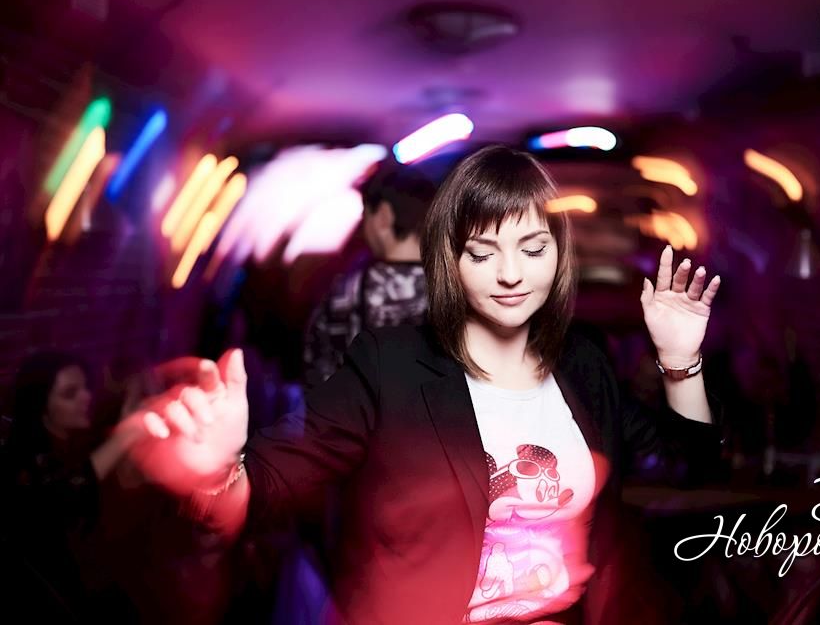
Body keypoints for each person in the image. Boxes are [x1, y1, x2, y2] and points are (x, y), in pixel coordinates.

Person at [131, 145, 726, 624]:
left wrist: (681, 362)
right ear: (449, 262)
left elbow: (687, 463)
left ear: (557, 255)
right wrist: (215, 474)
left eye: (532, 248)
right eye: (482, 252)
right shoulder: (391, 364)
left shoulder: (582, 365)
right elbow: (272, 481)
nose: (511, 274)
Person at [0, 352, 149, 620]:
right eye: (70, 394)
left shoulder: (78, 442)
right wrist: (127, 435)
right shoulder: (25, 464)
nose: (86, 397)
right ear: (40, 405)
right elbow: (64, 494)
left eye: (85, 387)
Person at [303, 164, 437, 388]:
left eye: (365, 215)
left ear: (383, 217)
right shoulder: (463, 289)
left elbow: (317, 382)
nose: (364, 228)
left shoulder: (344, 297)